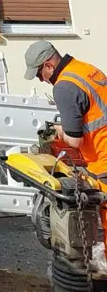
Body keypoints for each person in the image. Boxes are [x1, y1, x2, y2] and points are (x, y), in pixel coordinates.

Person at [26, 40, 107, 273]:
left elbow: (74, 140)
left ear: (49, 65)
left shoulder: (63, 87)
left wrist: (58, 131)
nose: (41, 80)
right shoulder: (84, 69)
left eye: (40, 73)